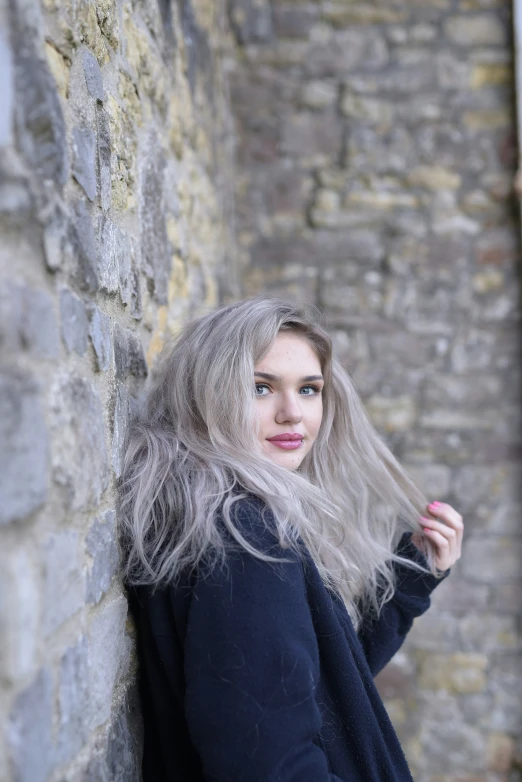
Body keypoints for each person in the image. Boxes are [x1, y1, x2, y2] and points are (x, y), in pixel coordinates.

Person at [118, 297, 464, 781]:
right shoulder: (245, 540)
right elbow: (272, 765)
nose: (292, 414)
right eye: (260, 388)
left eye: (308, 389)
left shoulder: (210, 515)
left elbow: (315, 691)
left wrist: (410, 579)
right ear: (210, 392)